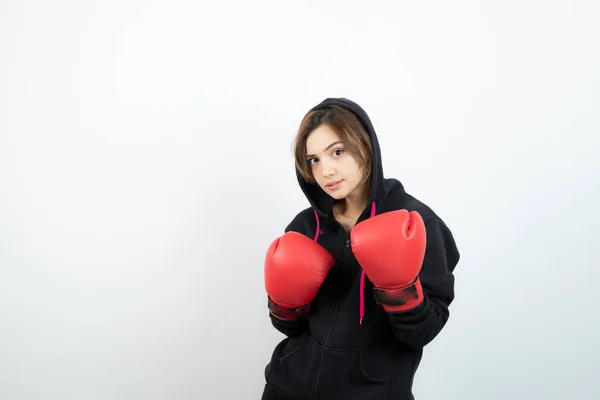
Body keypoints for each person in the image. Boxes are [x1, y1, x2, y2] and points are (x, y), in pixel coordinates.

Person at [261, 97, 460, 400]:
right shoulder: (305, 226)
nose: (326, 170)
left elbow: (423, 332)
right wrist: (284, 305)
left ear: (365, 145)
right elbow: (288, 328)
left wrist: (399, 289)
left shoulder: (414, 222)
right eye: (314, 159)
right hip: (286, 390)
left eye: (337, 152)